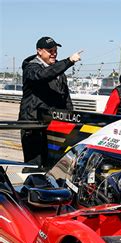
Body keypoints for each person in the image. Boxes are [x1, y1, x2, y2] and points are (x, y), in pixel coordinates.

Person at [19, 36, 82, 166]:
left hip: (53, 126)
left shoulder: (58, 70)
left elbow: (65, 98)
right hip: (33, 124)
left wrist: (71, 119)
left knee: (52, 165)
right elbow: (43, 75)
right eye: (50, 51)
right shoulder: (31, 68)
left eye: (55, 50)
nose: (54, 53)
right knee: (34, 166)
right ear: (39, 51)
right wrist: (68, 61)